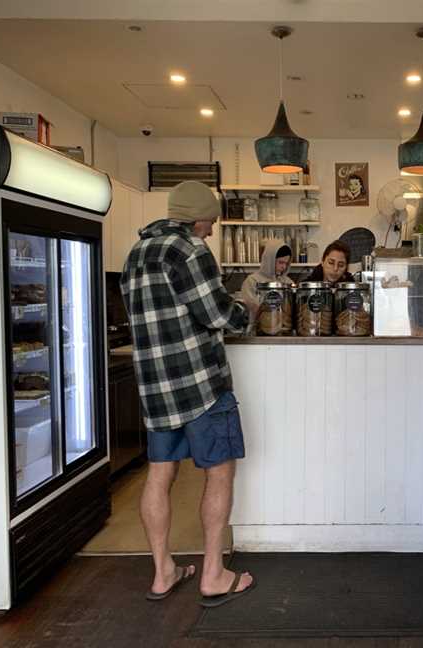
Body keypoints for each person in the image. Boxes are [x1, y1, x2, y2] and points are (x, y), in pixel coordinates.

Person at [120, 180, 255, 608]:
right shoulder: (189, 251)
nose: (212, 230)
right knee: (219, 472)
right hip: (200, 385)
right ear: (196, 219)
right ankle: (213, 574)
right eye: (211, 222)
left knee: (159, 476)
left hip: (157, 388)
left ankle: (163, 572)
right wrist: (247, 310)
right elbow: (217, 314)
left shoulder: (135, 254)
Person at [240, 239, 294, 319]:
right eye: (281, 262)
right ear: (269, 260)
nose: (284, 267)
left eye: (286, 263)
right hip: (258, 328)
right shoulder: (252, 281)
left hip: (285, 329)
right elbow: (252, 310)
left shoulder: (287, 282)